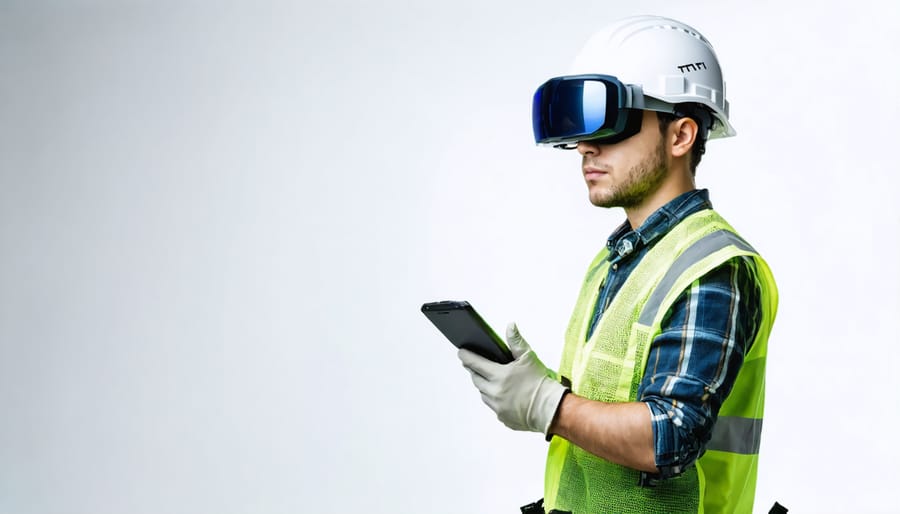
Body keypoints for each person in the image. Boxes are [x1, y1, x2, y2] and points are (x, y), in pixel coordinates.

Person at [457, 15, 779, 514]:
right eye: (580, 128)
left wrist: (546, 403)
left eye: (610, 122)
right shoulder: (617, 261)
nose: (586, 146)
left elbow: (670, 435)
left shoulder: (713, 267)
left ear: (680, 136)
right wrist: (542, 388)